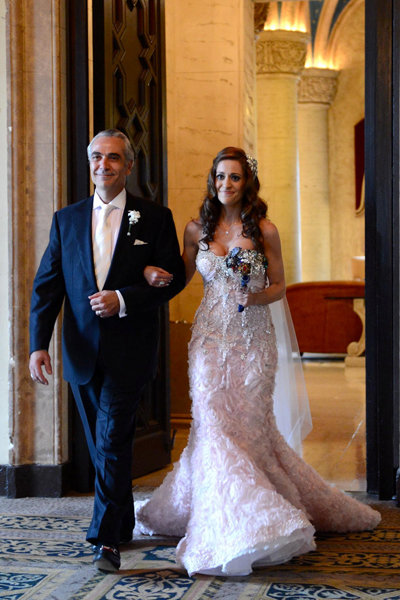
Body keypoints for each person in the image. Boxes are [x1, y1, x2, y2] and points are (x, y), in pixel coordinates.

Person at [137, 146, 381, 577]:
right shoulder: (197, 229)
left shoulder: (264, 229)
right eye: (219, 177)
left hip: (253, 341)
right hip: (210, 340)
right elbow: (182, 276)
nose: (226, 185)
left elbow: (281, 285)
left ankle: (262, 512)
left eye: (234, 177)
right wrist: (150, 276)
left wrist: (254, 295)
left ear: (246, 183)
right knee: (211, 423)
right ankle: (223, 518)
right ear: (212, 181)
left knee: (250, 427)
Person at [29, 129, 186, 573]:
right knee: (105, 448)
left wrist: (125, 299)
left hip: (129, 351)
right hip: (80, 352)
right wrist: (37, 345)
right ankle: (122, 523)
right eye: (97, 157)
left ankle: (104, 540)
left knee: (112, 440)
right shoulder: (66, 219)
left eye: (114, 158)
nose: (104, 165)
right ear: (89, 162)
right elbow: (47, 287)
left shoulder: (154, 218)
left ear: (129, 166)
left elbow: (170, 279)